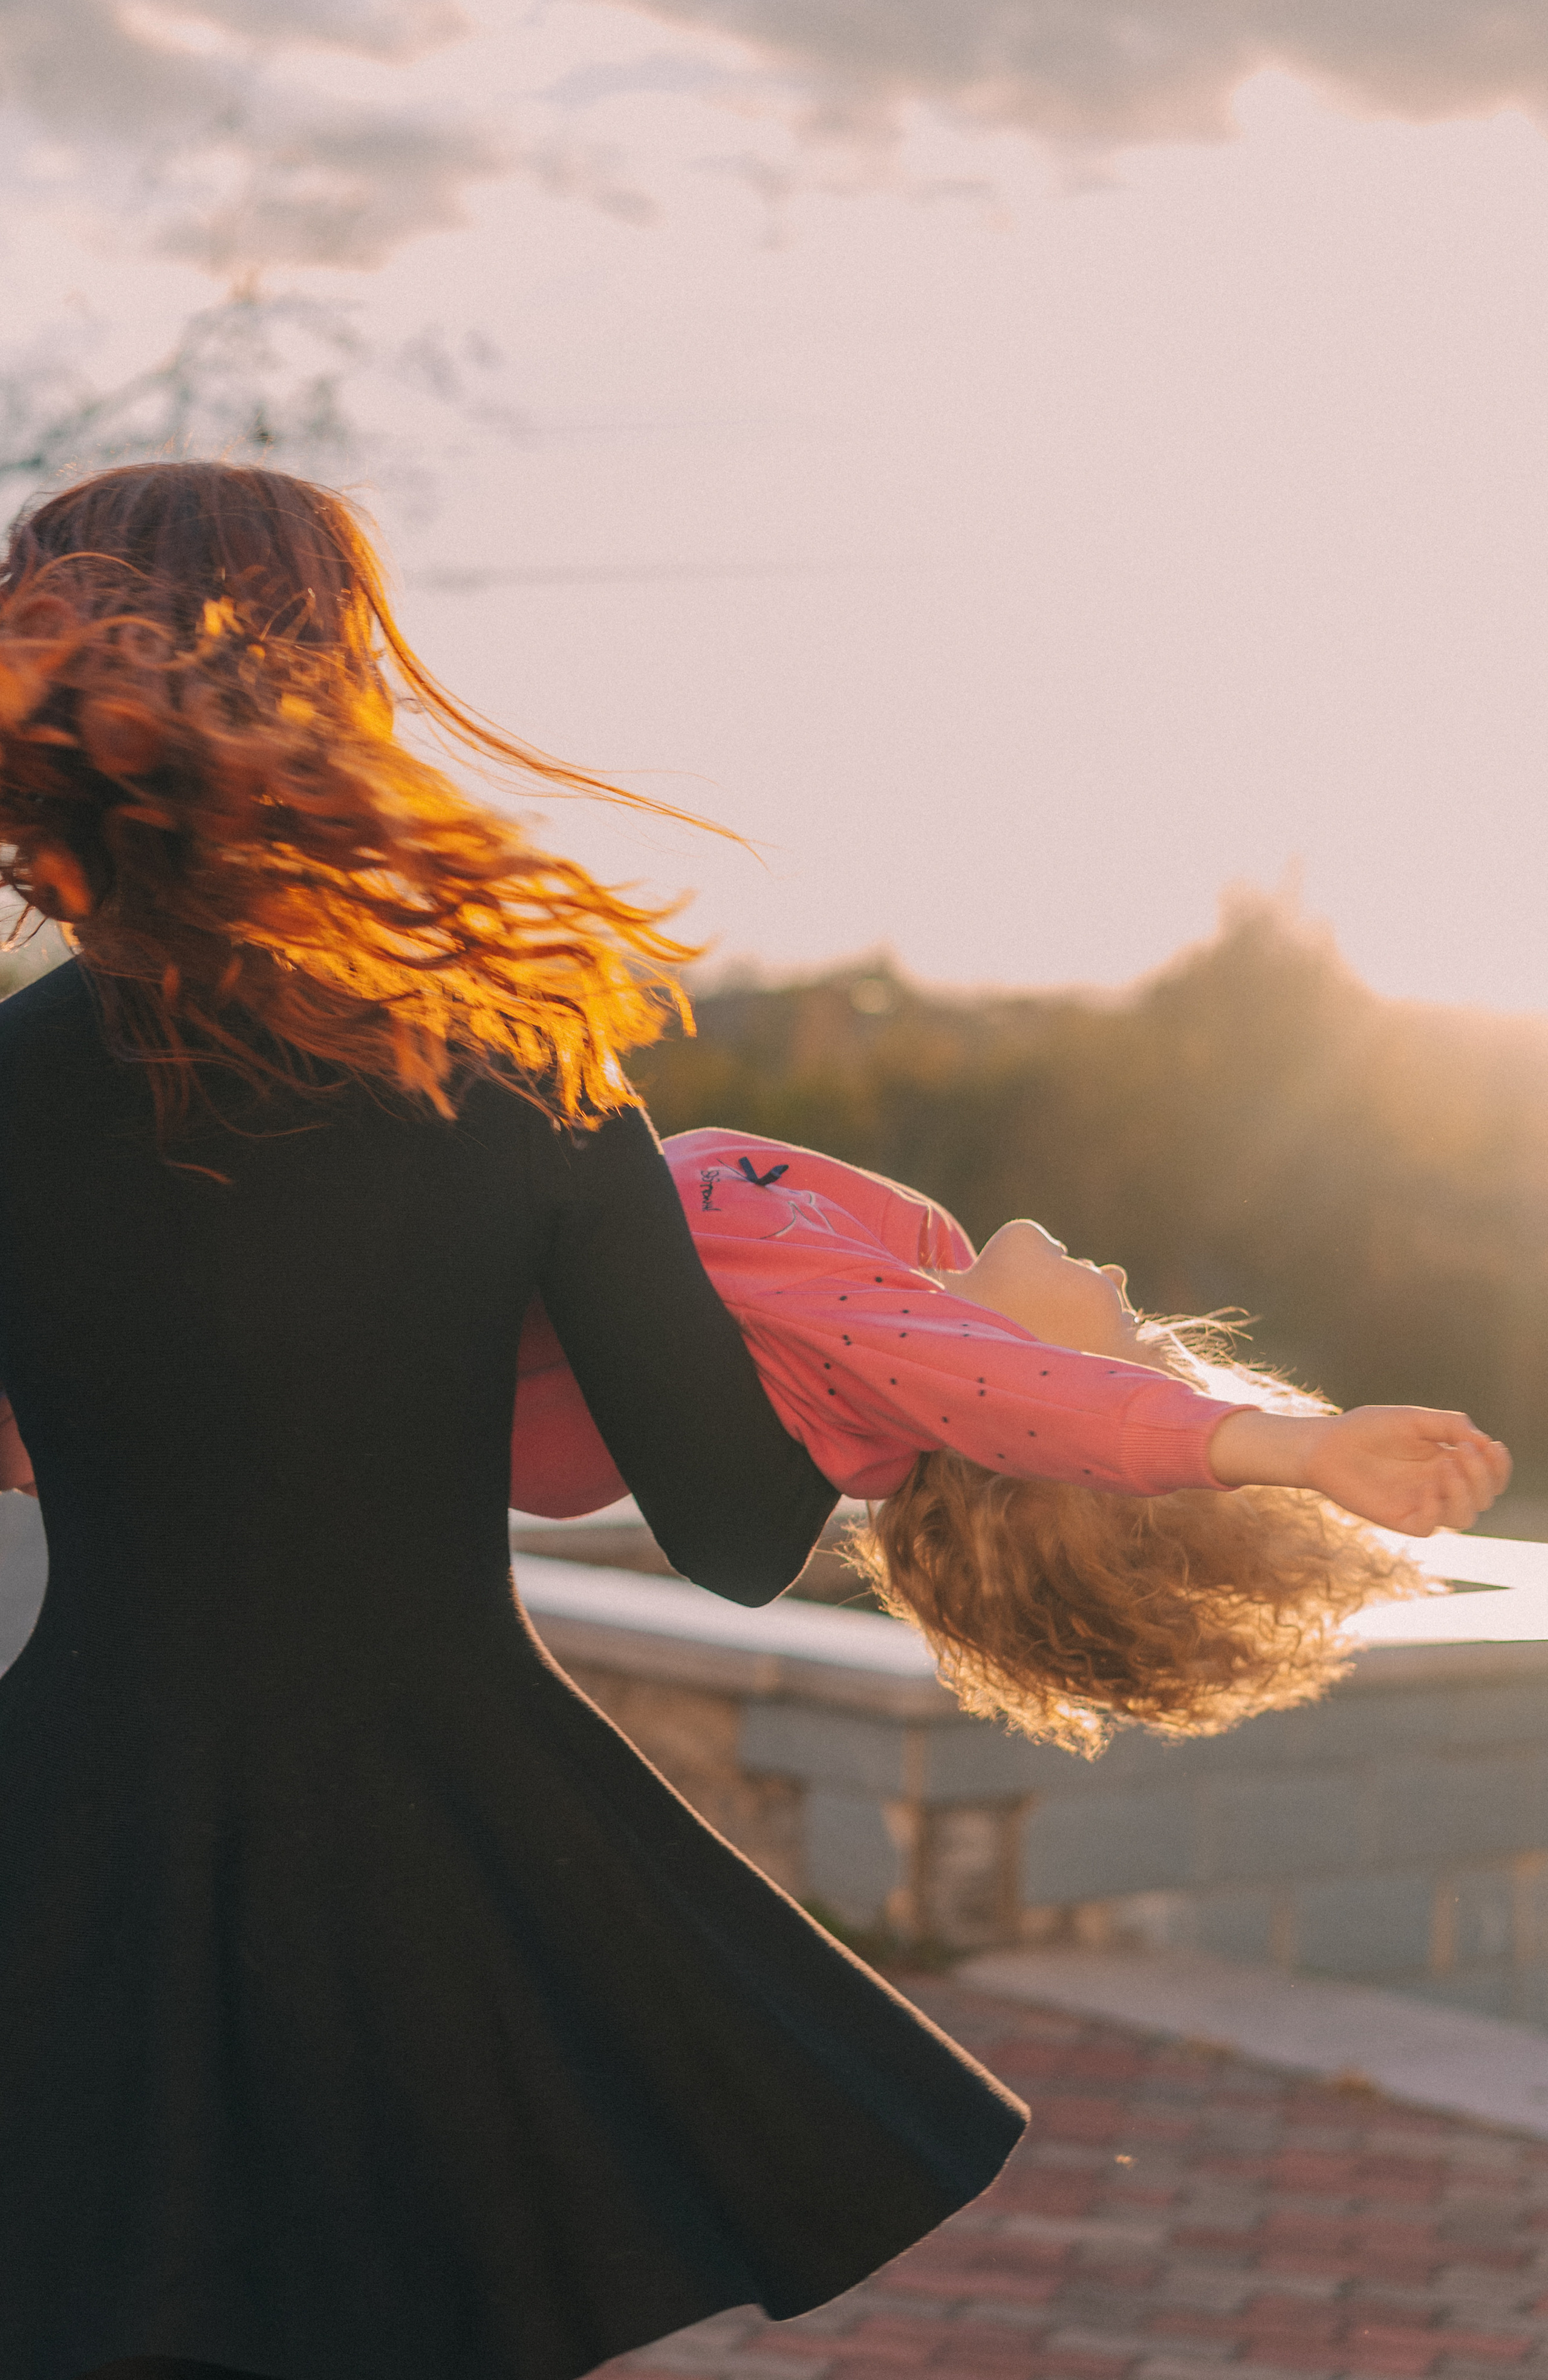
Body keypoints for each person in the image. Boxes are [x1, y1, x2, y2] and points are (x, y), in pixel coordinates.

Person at [0, 463, 1026, 2380]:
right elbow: (733, 1536)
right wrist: (957, 1348)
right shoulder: (524, 1078)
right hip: (453, 1864)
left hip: (70, 1828)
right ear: (339, 697)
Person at [502, 1128, 1509, 1752]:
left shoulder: (859, 1363)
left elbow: (1033, 1398)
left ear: (1026, 1439)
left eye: (1126, 1338)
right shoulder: (912, 1258)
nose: (1118, 1283)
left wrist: (1294, 1451)